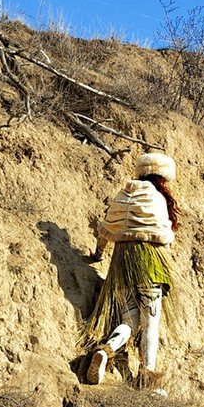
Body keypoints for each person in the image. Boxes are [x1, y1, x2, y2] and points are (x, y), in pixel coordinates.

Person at [81, 151, 179, 390]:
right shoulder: (156, 198)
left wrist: (98, 255)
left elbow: (106, 229)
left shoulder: (123, 195)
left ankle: (107, 350)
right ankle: (148, 376)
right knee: (150, 323)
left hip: (121, 265)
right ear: (161, 178)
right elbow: (165, 236)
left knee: (130, 319)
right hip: (151, 265)